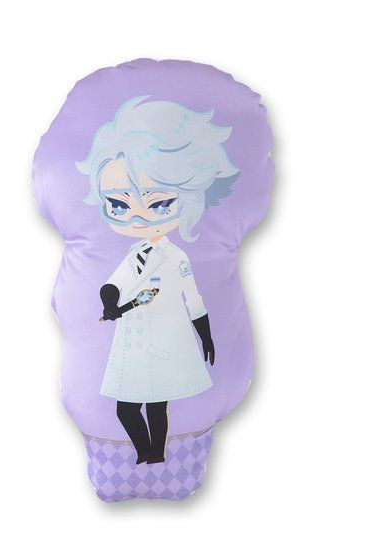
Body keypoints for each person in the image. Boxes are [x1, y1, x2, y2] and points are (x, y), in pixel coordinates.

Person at [76, 96, 239, 464]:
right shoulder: (134, 253)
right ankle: (147, 455)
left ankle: (154, 458)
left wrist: (205, 334)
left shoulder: (176, 258)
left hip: (162, 343)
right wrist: (109, 302)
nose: (139, 216)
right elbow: (113, 283)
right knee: (126, 408)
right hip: (132, 343)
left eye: (159, 203)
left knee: (156, 405)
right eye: (120, 204)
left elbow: (193, 300)